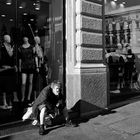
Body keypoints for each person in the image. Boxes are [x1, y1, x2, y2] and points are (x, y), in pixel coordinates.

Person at [0, 34, 19, 109]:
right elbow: (2, 57)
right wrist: (2, 66)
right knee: (4, 87)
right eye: (8, 38)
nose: (9, 39)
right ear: (5, 39)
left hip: (11, 69)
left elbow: (12, 56)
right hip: (4, 69)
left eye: (10, 38)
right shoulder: (1, 47)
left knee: (11, 85)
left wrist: (15, 65)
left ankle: (10, 101)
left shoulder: (11, 46)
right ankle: (4, 102)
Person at [18, 36, 36, 103]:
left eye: (26, 38)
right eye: (24, 38)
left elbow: (34, 56)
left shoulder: (32, 47)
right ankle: (23, 97)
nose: (25, 39)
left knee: (30, 82)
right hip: (23, 66)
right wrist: (19, 66)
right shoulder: (20, 48)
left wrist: (36, 66)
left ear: (28, 39)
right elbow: (19, 58)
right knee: (23, 83)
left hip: (31, 65)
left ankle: (28, 97)